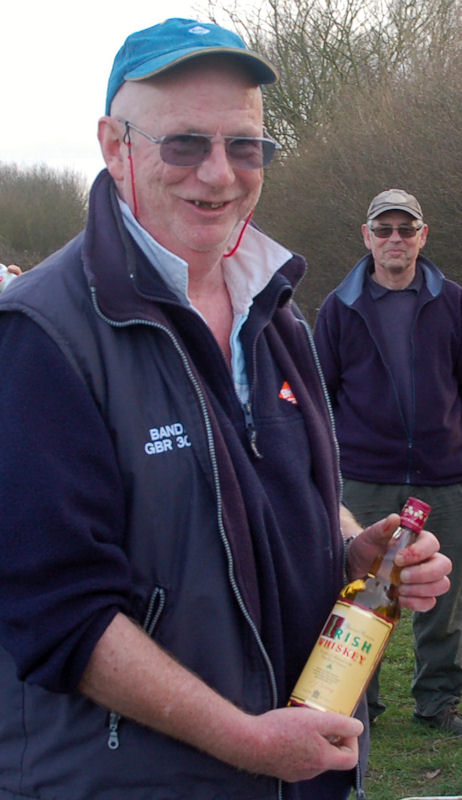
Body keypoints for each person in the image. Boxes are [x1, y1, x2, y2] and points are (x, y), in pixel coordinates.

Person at [0, 23, 450, 800]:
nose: (219, 173)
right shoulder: (41, 334)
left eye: (246, 147)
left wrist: (351, 549)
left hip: (299, 772)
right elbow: (59, 614)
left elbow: (288, 492)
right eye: (184, 145)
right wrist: (247, 740)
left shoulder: (277, 310)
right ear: (113, 145)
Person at [314, 188, 462, 735]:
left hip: (444, 479)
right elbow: (320, 399)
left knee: (441, 600)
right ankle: (359, 701)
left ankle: (438, 700)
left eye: (406, 229)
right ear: (367, 237)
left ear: (423, 236)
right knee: (358, 594)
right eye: (384, 229)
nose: (395, 239)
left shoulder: (454, 302)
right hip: (365, 480)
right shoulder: (338, 308)